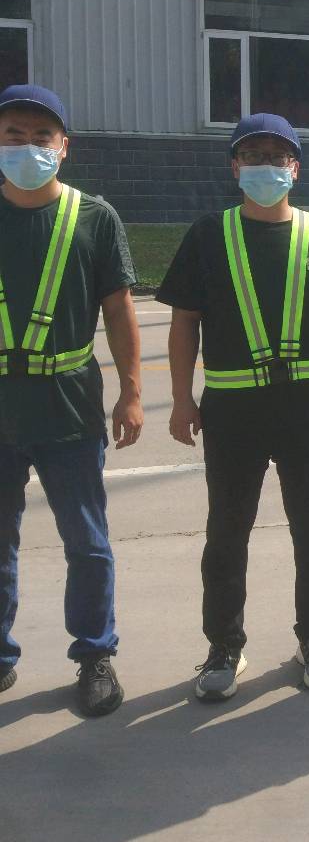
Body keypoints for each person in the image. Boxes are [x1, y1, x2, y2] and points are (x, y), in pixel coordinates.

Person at [159, 114, 309, 701]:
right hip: (232, 408)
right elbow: (184, 324)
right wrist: (181, 399)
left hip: (307, 406)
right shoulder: (208, 235)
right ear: (234, 167)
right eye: (253, 156)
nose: (266, 166)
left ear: (296, 168)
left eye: (277, 157)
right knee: (226, 531)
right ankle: (224, 646)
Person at [0, 84, 143, 716]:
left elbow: (119, 309)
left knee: (86, 542)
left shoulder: (94, 217)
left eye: (41, 137)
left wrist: (132, 392)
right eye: (14, 135)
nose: (27, 147)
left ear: (64, 147)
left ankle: (95, 654)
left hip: (69, 406)